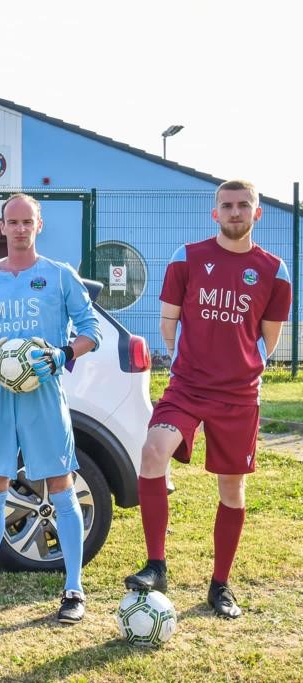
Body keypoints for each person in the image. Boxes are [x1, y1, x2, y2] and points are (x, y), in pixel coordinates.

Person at [125, 179, 291, 619]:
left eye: (243, 206)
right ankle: (156, 565)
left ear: (257, 213)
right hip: (188, 386)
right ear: (214, 213)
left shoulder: (274, 270)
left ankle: (220, 585)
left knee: (232, 487)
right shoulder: (189, 258)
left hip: (238, 394)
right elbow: (169, 325)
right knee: (152, 450)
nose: (235, 212)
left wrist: (236, 364)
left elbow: (267, 341)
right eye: (227, 206)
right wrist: (193, 356)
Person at [0, 193, 101, 624]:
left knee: (60, 483)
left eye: (26, 221)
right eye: (12, 222)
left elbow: (91, 331)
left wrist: (63, 353)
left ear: (39, 225)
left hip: (44, 394)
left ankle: (73, 588)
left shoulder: (59, 275)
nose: (19, 228)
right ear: (1, 227)